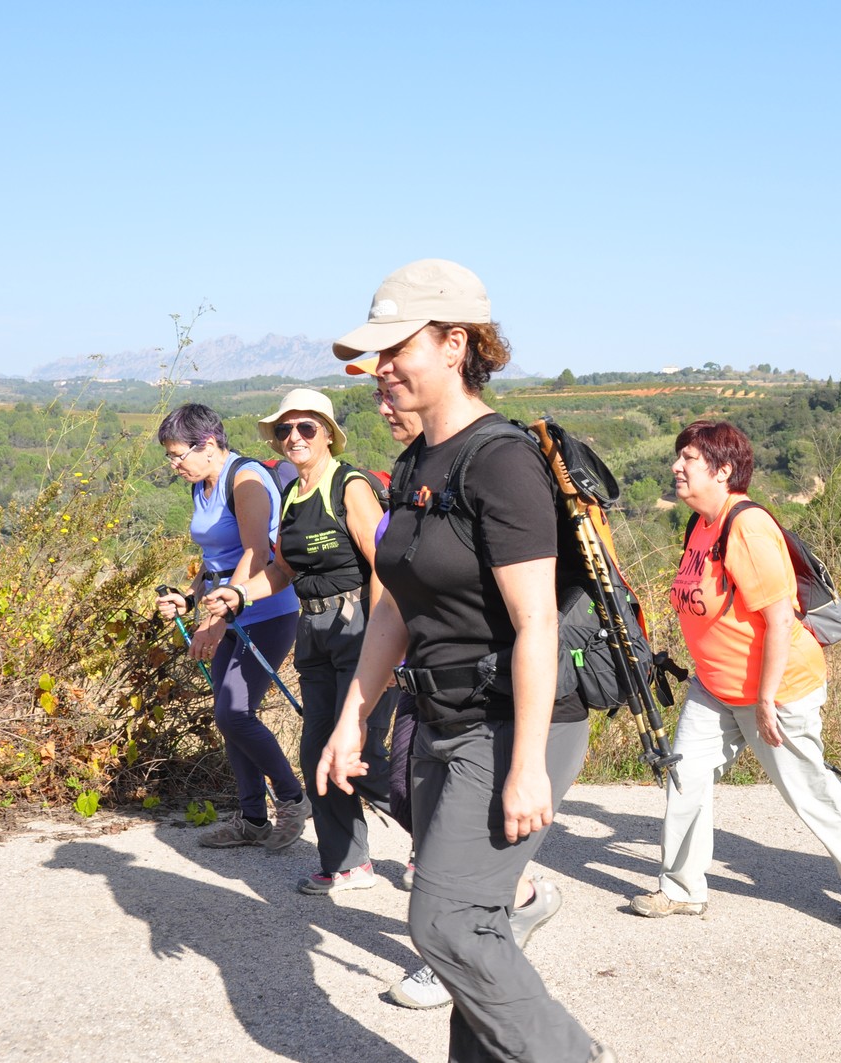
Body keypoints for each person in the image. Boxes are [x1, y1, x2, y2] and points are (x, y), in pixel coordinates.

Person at [320, 259, 611, 1062]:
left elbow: (535, 622)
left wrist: (527, 767)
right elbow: (394, 603)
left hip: (513, 720)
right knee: (474, 927)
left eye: (397, 348)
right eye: (377, 352)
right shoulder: (418, 460)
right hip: (439, 715)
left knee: (444, 920)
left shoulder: (501, 461)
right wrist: (353, 716)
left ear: (455, 345)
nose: (381, 366)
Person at [629, 419, 841, 926]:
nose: (676, 467)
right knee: (685, 776)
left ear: (723, 471)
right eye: (678, 456)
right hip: (715, 685)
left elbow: (779, 619)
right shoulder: (700, 525)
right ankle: (681, 889)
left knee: (806, 789)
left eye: (688, 458)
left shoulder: (746, 526)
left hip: (777, 688)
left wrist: (766, 699)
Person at [200, 388, 395, 896]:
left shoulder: (349, 486)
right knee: (315, 754)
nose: (294, 437)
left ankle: (449, 848)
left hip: (358, 630)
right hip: (314, 634)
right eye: (285, 429)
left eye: (306, 427)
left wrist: (382, 637)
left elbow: (385, 565)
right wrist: (238, 595)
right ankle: (347, 865)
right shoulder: (293, 493)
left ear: (328, 434)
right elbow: (282, 570)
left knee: (361, 756)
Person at [155, 403, 308, 850]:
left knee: (234, 713)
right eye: (170, 456)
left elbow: (255, 554)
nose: (174, 465)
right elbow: (215, 560)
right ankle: (253, 820)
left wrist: (218, 618)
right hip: (226, 610)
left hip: (267, 611)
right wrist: (188, 598)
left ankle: (293, 799)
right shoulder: (201, 484)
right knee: (229, 716)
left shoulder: (245, 480)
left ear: (207, 444)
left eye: (178, 455)